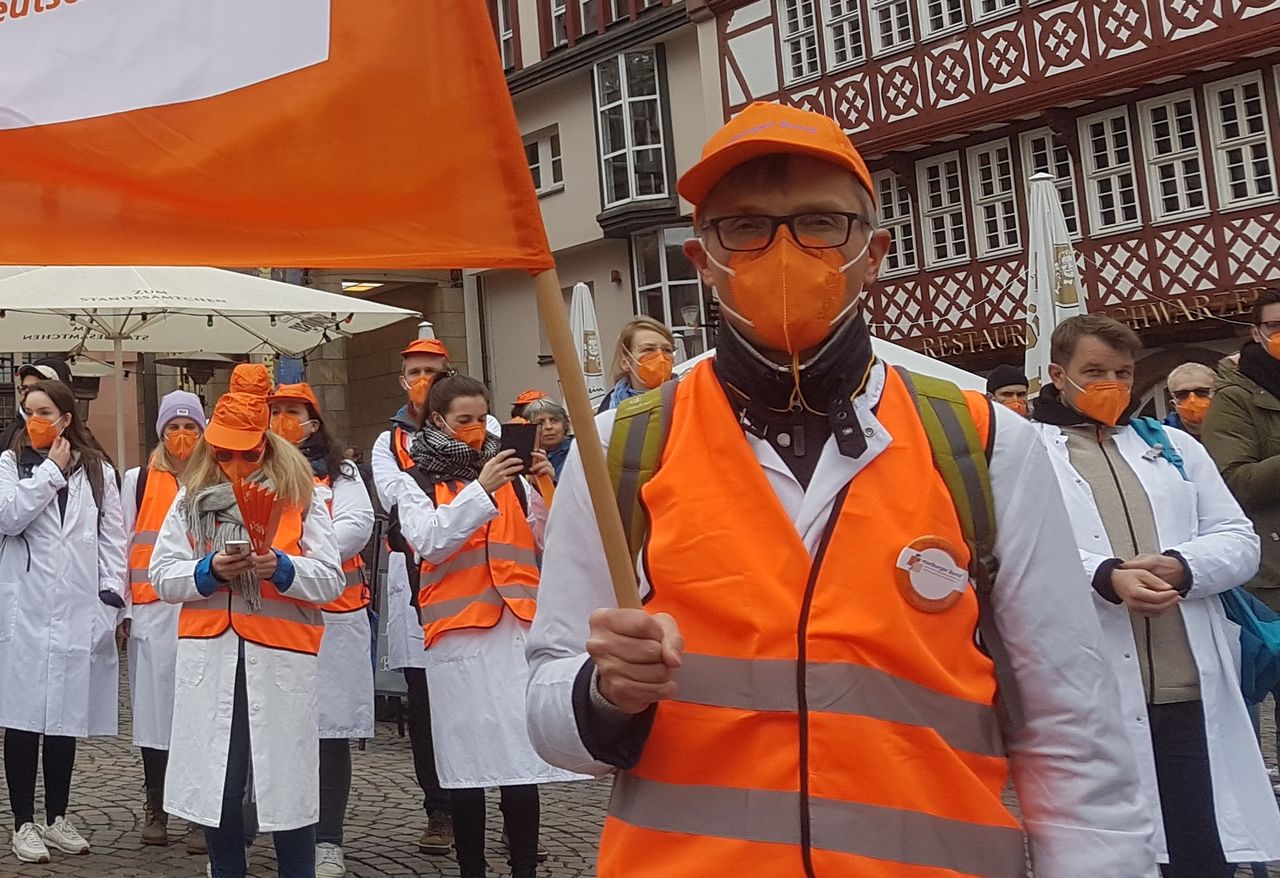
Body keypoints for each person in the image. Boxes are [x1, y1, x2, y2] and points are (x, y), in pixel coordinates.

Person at [526, 101, 1158, 877]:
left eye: (821, 224)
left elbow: (1072, 726)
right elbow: (548, 707)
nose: (784, 251)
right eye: (744, 227)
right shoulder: (620, 451)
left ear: (874, 252)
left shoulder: (986, 442)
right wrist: (601, 693)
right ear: (702, 259)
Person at [1028, 314, 1279, 876]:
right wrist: (1103, 575)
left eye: (1122, 372)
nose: (1112, 384)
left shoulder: (1172, 448)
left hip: (1186, 687)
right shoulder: (1026, 450)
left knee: (1200, 852)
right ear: (1058, 375)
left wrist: (1184, 567)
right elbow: (1017, 549)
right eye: (1095, 371)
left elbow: (1239, 539)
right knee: (1114, 856)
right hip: (1091, 695)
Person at [149, 364, 344, 878]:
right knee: (219, 783)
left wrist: (281, 568)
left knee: (287, 785)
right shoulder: (189, 500)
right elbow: (162, 575)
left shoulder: (302, 497)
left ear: (267, 447)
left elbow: (331, 579)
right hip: (212, 655)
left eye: (247, 453)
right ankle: (226, 869)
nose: (235, 464)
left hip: (280, 655)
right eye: (224, 453)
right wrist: (208, 571)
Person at [400, 374, 582, 878]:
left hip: (515, 629)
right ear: (438, 421)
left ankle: (524, 867)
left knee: (520, 761)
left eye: (482, 418)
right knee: (467, 765)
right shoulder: (416, 480)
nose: (476, 428)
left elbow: (551, 542)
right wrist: (481, 489)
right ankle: (472, 869)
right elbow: (429, 541)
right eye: (464, 420)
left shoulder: (514, 477)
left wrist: (544, 486)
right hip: (458, 635)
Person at [0, 379, 126, 864]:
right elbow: (9, 517)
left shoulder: (97, 471)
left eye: (44, 412)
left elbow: (113, 540)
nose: (34, 420)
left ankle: (57, 817)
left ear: (66, 419)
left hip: (77, 608)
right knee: (22, 718)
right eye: (28, 412)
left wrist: (110, 600)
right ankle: (23, 822)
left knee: (63, 718)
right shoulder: (11, 464)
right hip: (26, 611)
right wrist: (50, 472)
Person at [268, 382, 375, 878]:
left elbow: (355, 526)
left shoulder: (342, 474)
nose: (282, 421)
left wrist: (294, 552)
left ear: (313, 422)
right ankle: (260, 828)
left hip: (335, 615)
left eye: (292, 412)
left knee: (330, 732)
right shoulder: (254, 465)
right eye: (275, 412)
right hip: (276, 615)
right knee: (271, 727)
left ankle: (327, 838)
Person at [370, 336, 457, 855]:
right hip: (414, 579)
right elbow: (396, 498)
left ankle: (505, 806)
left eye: (433, 371)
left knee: (482, 698)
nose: (424, 380)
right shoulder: (390, 441)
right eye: (415, 372)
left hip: (474, 580)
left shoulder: (484, 426)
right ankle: (439, 810)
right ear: (403, 380)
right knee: (424, 703)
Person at [121, 390, 208, 850]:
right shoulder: (137, 480)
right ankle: (156, 803)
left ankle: (198, 810)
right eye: (173, 427)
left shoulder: (216, 474)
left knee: (198, 708)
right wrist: (122, 608)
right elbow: (121, 540)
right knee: (155, 714)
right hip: (152, 609)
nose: (181, 435)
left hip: (201, 604)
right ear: (161, 432)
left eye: (190, 426)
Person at [1203, 287, 1280, 758]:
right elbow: (1235, 481)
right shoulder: (1235, 398)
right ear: (1256, 333)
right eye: (1276, 326)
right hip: (1271, 577)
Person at [598, 317, 676, 412]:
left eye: (667, 350)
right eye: (648, 349)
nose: (661, 358)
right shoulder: (608, 408)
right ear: (625, 362)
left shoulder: (687, 399)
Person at [0, 357, 74, 452]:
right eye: (24, 388)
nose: (28, 394)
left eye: (44, 412)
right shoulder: (10, 434)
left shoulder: (82, 448)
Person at [522, 398, 573, 481]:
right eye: (540, 423)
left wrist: (553, 480)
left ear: (565, 424)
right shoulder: (524, 457)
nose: (548, 427)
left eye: (554, 420)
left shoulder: (578, 452)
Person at [1163, 363, 1214, 438]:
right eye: (1182, 394)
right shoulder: (1163, 438)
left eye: (1201, 392)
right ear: (1174, 405)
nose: (1192, 400)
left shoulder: (1232, 432)